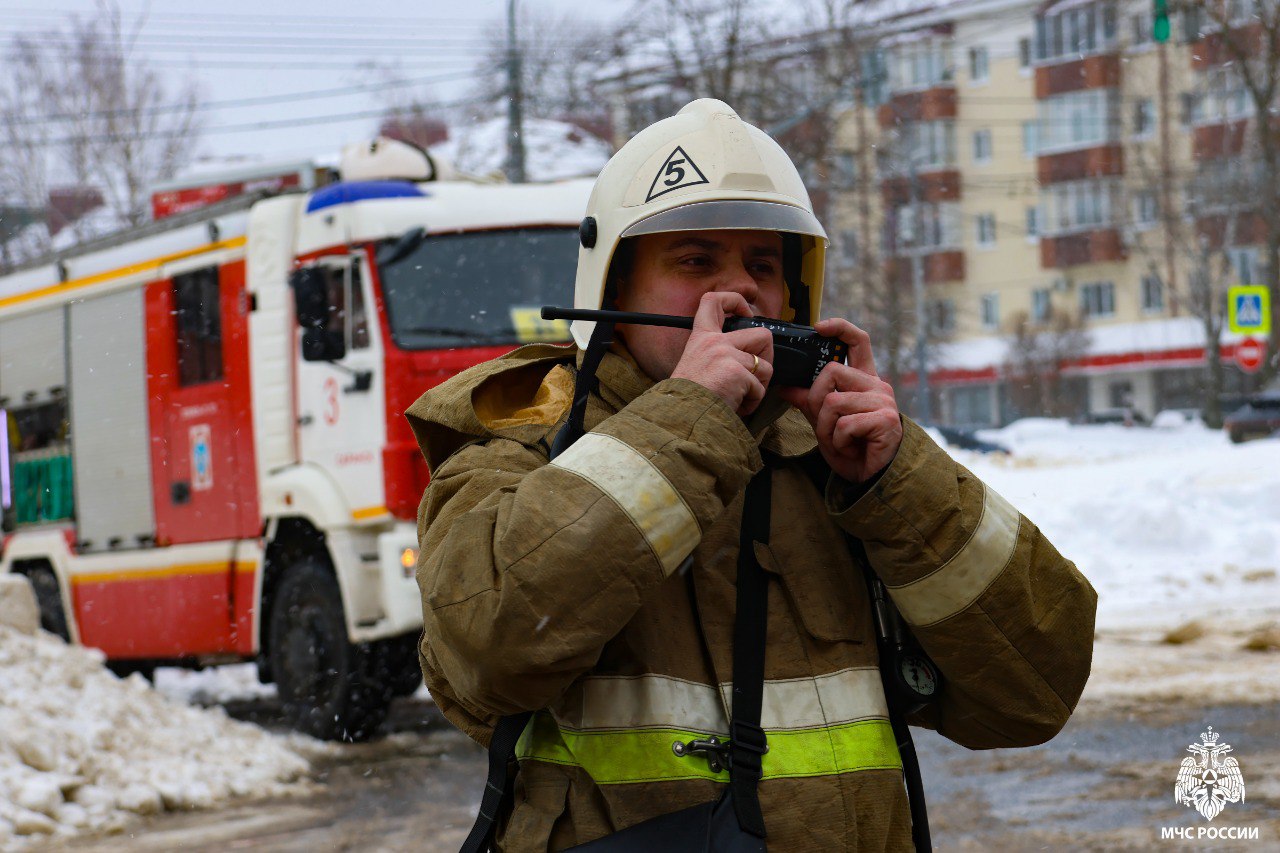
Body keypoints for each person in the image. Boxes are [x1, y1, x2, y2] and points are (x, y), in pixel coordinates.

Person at [406, 99, 1096, 851]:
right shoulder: (517, 447)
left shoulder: (839, 467)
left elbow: (1036, 693)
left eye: (764, 264)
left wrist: (897, 486)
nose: (739, 292)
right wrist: (692, 419)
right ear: (610, 292)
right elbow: (490, 649)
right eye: (695, 260)